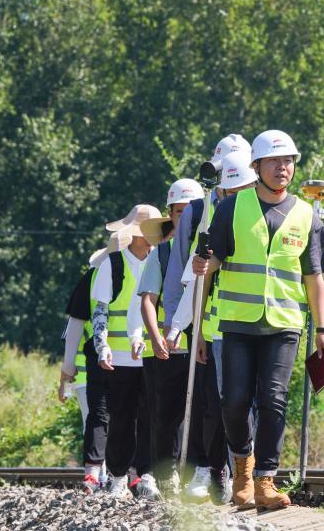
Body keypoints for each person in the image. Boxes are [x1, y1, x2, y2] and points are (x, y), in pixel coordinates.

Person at [193, 130, 324, 511]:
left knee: (274, 400)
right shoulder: (231, 208)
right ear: (256, 166)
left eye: (288, 161)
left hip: (283, 325)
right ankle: (242, 466)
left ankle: (265, 480)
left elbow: (314, 277)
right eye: (274, 161)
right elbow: (211, 266)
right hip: (237, 323)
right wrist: (201, 322)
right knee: (234, 402)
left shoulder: (306, 216)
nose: (282, 167)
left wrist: (322, 330)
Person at [167, 149, 257, 504]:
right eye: (230, 192)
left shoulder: (268, 217)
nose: (234, 197)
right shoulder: (208, 219)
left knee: (255, 404)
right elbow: (194, 279)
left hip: (259, 327)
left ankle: (251, 475)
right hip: (218, 328)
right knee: (222, 406)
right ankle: (221, 472)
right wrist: (183, 327)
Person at [128, 178, 204, 498]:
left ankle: (199, 472)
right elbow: (148, 299)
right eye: (179, 211)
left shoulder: (210, 247)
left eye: (191, 211)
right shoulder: (161, 252)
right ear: (170, 214)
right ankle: (166, 473)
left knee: (202, 412)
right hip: (168, 348)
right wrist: (155, 336)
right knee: (165, 414)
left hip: (202, 345)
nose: (185, 217)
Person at [90, 204, 161, 499]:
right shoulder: (113, 264)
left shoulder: (161, 259)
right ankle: (118, 476)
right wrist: (102, 345)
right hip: (119, 358)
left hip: (154, 353)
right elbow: (101, 310)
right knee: (121, 419)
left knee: (152, 417)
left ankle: (146, 475)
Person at [58, 264, 108, 493]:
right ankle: (102, 476)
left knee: (95, 423)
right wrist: (65, 381)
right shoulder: (92, 304)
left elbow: (69, 344)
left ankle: (103, 476)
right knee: (96, 423)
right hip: (86, 374)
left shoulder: (89, 302)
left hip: (87, 374)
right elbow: (70, 347)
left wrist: (65, 381)